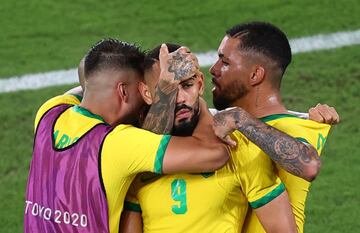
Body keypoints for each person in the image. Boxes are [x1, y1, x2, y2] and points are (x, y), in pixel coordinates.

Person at [119, 43, 337, 232]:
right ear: (147, 93)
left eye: (186, 85)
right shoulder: (138, 152)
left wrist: (240, 118)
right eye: (167, 88)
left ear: (200, 84)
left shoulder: (240, 148)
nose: (180, 99)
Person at [24, 39, 230, 233]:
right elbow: (214, 154)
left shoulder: (50, 112)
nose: (147, 100)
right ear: (123, 91)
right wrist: (192, 99)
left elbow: (90, 76)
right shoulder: (119, 144)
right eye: (144, 92)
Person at [210, 22, 335, 233]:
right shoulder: (228, 122)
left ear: (255, 75)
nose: (214, 69)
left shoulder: (293, 126)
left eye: (225, 62)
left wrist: (240, 119)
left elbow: (309, 165)